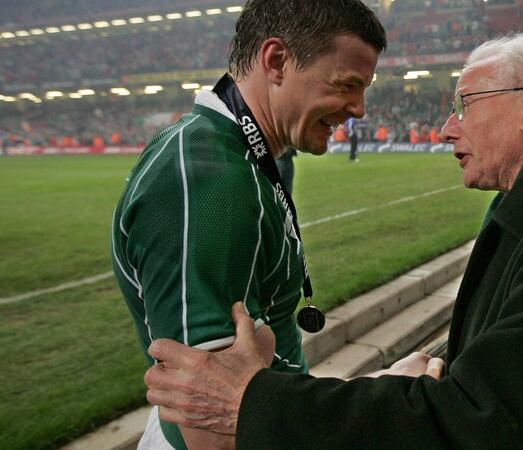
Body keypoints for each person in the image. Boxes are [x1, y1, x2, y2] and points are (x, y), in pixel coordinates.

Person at [144, 32, 523, 448]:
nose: (448, 129)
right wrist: (418, 372)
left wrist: (251, 401)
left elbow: (478, 419)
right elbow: (511, 368)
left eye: (465, 104)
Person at [110, 1, 386, 448]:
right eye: (348, 85)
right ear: (276, 61)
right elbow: (209, 428)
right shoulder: (209, 181)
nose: (358, 108)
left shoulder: (234, 155)